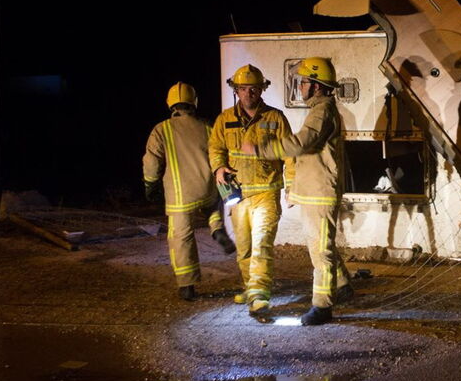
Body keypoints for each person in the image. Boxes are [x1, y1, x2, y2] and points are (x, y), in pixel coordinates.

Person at [243, 57, 352, 325]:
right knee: (321, 245)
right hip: (314, 191)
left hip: (320, 193)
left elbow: (303, 143)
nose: (300, 87)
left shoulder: (322, 110)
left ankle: (323, 306)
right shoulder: (321, 109)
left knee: (321, 252)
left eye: (304, 82)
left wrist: (262, 150)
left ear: (316, 85)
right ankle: (343, 285)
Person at [209, 64, 294, 318]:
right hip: (238, 196)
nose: (249, 93)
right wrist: (218, 167)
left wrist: (292, 186)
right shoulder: (224, 119)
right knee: (244, 247)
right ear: (236, 91)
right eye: (244, 89)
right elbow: (215, 148)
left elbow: (290, 155)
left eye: (254, 88)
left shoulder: (275, 118)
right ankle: (250, 286)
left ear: (262, 89)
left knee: (261, 244)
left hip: (266, 193)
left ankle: (259, 294)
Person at [143, 82, 236, 301]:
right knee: (213, 207)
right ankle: (217, 229)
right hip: (207, 187)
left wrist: (150, 185)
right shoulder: (207, 126)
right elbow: (219, 152)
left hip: (179, 195)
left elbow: (152, 162)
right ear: (194, 102)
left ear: (170, 104)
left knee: (181, 238)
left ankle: (187, 285)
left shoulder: (161, 129)